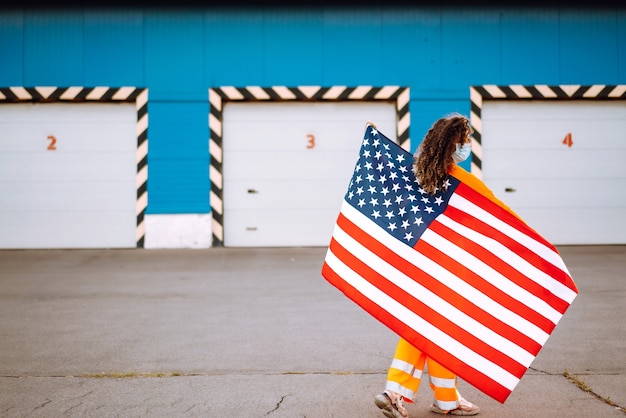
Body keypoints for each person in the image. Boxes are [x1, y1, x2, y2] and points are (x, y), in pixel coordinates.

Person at [374, 113, 481, 417]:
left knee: (423, 329)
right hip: (444, 269)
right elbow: (498, 215)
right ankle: (416, 395)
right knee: (439, 330)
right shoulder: (461, 182)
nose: (468, 146)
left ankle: (419, 395)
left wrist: (376, 141)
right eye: (466, 140)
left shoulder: (412, 174)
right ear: (455, 144)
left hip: (415, 266)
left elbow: (386, 183)